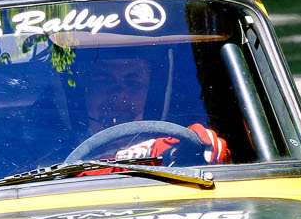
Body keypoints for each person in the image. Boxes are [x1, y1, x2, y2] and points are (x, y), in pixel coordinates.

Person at [84, 53, 230, 164]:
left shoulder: (171, 143)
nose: (119, 94)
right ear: (85, 92)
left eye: (133, 83)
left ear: (149, 94)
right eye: (104, 82)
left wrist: (195, 146)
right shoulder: (69, 145)